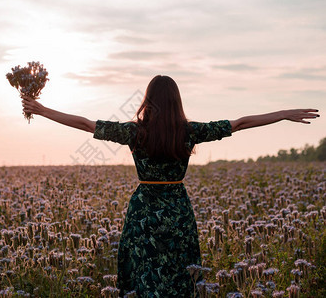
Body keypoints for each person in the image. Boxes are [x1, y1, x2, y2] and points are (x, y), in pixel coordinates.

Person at [22, 75, 319, 297]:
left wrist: (43, 110)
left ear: (148, 100)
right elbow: (239, 123)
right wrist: (283, 114)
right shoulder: (189, 132)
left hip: (144, 211)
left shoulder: (134, 132)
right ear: (176, 101)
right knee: (180, 273)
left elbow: (87, 124)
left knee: (143, 273)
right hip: (177, 208)